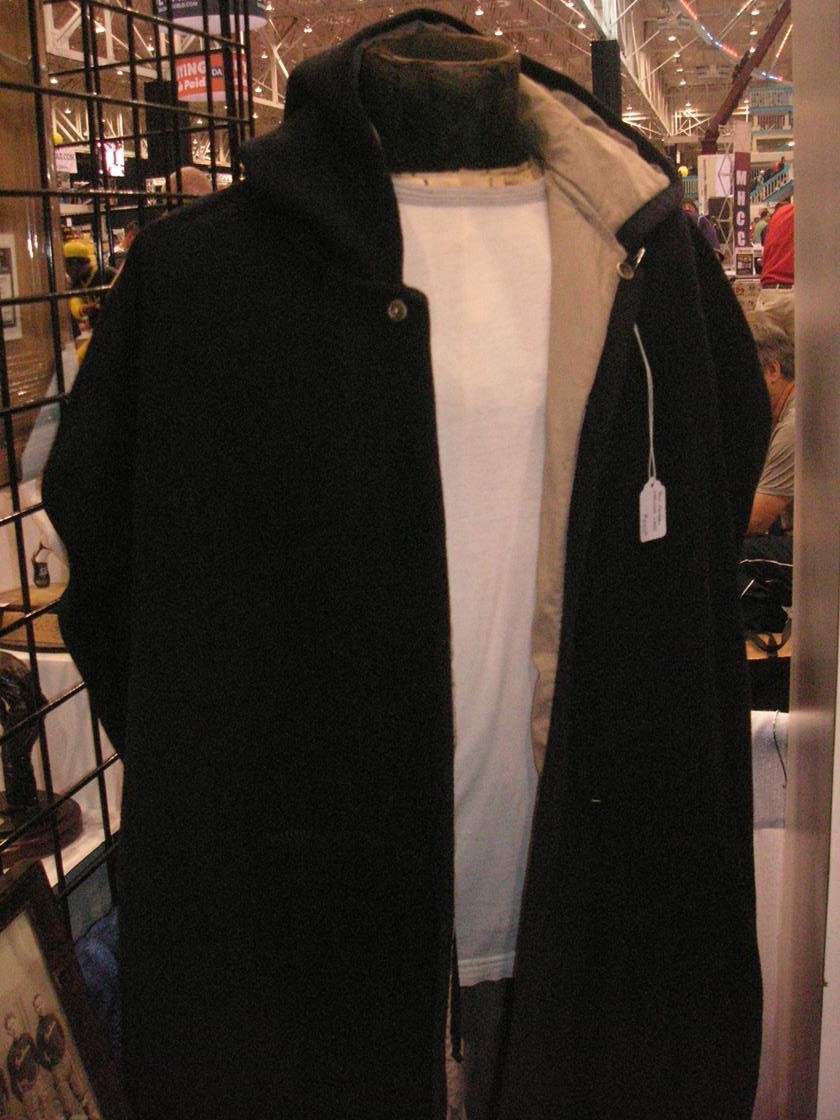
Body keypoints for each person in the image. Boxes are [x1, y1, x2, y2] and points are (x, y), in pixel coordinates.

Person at [42, 10, 768, 1119]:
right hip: (307, 932)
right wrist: (243, 785)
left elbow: (706, 520)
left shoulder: (650, 258)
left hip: (593, 907)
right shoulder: (202, 274)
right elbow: (109, 564)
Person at [747, 314, 795, 536]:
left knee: (739, 552)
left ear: (773, 371)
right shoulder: (784, 414)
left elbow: (756, 521)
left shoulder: (794, 425)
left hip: (820, 548)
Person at [33, 994, 101, 1120]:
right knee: (67, 1102)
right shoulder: (39, 1032)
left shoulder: (53, 1017)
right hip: (57, 1068)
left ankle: (90, 1115)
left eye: (40, 1004)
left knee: (80, 1091)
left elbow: (62, 1033)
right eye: (37, 1007)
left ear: (44, 1003)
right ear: (35, 1011)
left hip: (66, 1059)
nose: (40, 1008)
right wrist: (52, 1066)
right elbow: (40, 1057)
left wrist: (64, 1050)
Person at [4, 1012, 54, 1120]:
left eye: (14, 1024)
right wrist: (24, 1097)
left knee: (50, 1112)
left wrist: (48, 1068)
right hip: (28, 1093)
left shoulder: (27, 1038)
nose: (13, 1029)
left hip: (38, 1082)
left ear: (18, 1023)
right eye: (10, 1028)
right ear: (8, 1033)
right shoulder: (10, 1056)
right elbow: (13, 1084)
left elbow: (38, 1056)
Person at [756, 195, 794, 338]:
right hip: (797, 296)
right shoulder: (816, 215)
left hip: (768, 295)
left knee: (770, 351)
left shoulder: (779, 215)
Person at [63, 240, 116, 338]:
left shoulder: (107, 274)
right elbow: (75, 307)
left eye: (66, 266)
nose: (66, 271)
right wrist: (90, 307)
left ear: (75, 263)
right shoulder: (78, 282)